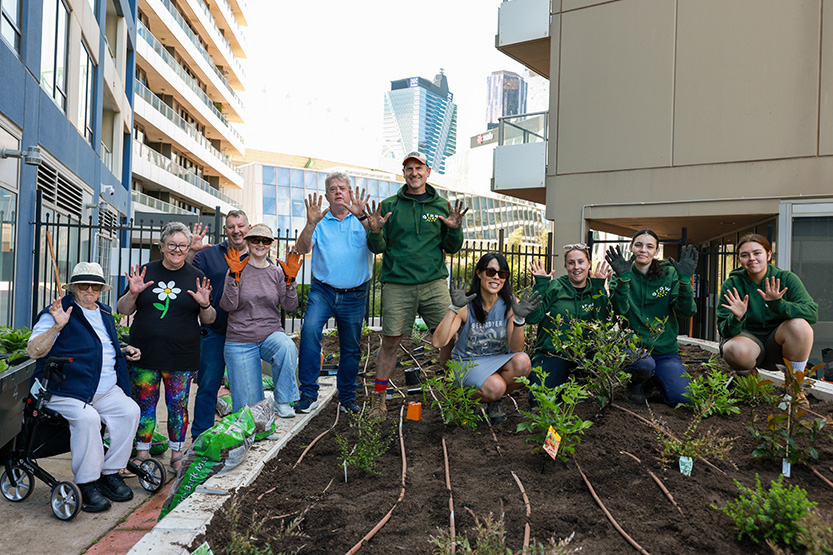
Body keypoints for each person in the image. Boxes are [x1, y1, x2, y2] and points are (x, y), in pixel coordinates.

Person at [28, 262, 141, 513]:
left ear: (102, 289)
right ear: (73, 287)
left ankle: (109, 473)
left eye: (96, 285)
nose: (90, 290)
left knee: (129, 411)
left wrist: (124, 351)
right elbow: (33, 350)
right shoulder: (56, 312)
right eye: (83, 285)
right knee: (88, 418)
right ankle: (87, 483)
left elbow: (99, 348)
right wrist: (57, 326)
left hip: (103, 389)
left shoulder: (103, 312)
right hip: (65, 390)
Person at [366, 151, 469, 419]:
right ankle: (379, 399)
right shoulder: (389, 205)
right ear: (404, 173)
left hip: (434, 283)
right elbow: (377, 249)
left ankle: (450, 393)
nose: (414, 173)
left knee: (449, 337)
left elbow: (452, 248)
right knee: (390, 341)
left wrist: (455, 229)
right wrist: (375, 231)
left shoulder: (442, 207)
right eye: (409, 168)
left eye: (419, 168)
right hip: (398, 284)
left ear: (428, 172)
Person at [117, 222, 215, 475]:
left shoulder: (195, 276)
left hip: (181, 356)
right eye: (171, 245)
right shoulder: (145, 272)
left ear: (187, 248)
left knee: (178, 407)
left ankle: (177, 454)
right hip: (144, 353)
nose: (177, 250)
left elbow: (210, 320)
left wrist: (205, 305)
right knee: (144, 405)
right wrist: (133, 293)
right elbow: (122, 310)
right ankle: (142, 454)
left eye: (182, 246)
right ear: (162, 246)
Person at [295, 172, 372, 414]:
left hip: (355, 294)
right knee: (309, 332)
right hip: (323, 290)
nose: (338, 191)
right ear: (326, 195)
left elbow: (380, 241)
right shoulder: (319, 221)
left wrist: (364, 218)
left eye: (342, 188)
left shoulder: (362, 220)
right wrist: (310, 223)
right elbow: (301, 248)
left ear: (350, 193)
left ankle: (347, 398)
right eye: (332, 189)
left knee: (351, 347)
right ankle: (308, 394)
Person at [431, 253, 541, 422]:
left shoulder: (511, 303)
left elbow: (516, 349)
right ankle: (462, 395)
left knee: (523, 361)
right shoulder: (466, 304)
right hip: (468, 362)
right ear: (479, 273)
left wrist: (519, 320)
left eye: (502, 274)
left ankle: (494, 401)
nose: (496, 277)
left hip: (497, 360)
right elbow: (438, 342)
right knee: (496, 387)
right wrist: (453, 308)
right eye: (490, 272)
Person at [606, 229, 698, 405]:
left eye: (649, 246)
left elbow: (686, 312)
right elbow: (620, 311)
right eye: (638, 245)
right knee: (644, 365)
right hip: (634, 349)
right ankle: (637, 381)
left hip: (665, 352)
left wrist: (685, 282)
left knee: (683, 399)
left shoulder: (669, 273)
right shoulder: (621, 273)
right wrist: (624, 281)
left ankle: (654, 379)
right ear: (631, 248)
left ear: (656, 252)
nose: (643, 250)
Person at [219, 223, 301, 417]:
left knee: (287, 347)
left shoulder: (277, 272)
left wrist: (290, 283)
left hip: (270, 334)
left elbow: (290, 306)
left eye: (265, 241)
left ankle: (283, 401)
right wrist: (233, 277)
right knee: (250, 411)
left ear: (270, 245)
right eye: (255, 240)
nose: (260, 244)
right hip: (240, 339)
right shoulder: (236, 267)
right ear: (248, 242)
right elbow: (227, 306)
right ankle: (259, 434)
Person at [186, 210, 251, 441]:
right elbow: (185, 274)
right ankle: (200, 438)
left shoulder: (257, 256)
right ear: (226, 230)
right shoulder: (209, 255)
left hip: (246, 336)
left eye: (241, 226)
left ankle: (242, 435)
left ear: (248, 227)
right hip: (214, 332)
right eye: (232, 226)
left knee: (245, 390)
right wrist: (192, 250)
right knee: (207, 387)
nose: (237, 231)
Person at [717, 233, 817, 379]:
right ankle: (749, 384)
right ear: (740, 259)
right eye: (745, 255)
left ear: (768, 255)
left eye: (757, 253)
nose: (751, 258)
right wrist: (737, 318)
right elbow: (723, 330)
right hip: (748, 343)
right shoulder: (732, 284)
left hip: (779, 345)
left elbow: (812, 314)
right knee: (734, 349)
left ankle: (794, 389)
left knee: (800, 325)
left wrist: (778, 304)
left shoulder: (787, 279)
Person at [526, 244, 611, 391]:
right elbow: (532, 318)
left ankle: (580, 381)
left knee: (580, 399)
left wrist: (599, 286)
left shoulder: (595, 287)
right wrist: (540, 284)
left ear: (589, 264)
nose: (576, 267)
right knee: (540, 400)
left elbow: (603, 322)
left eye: (581, 262)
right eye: (571, 263)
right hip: (553, 352)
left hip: (584, 353)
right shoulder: (554, 287)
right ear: (565, 266)